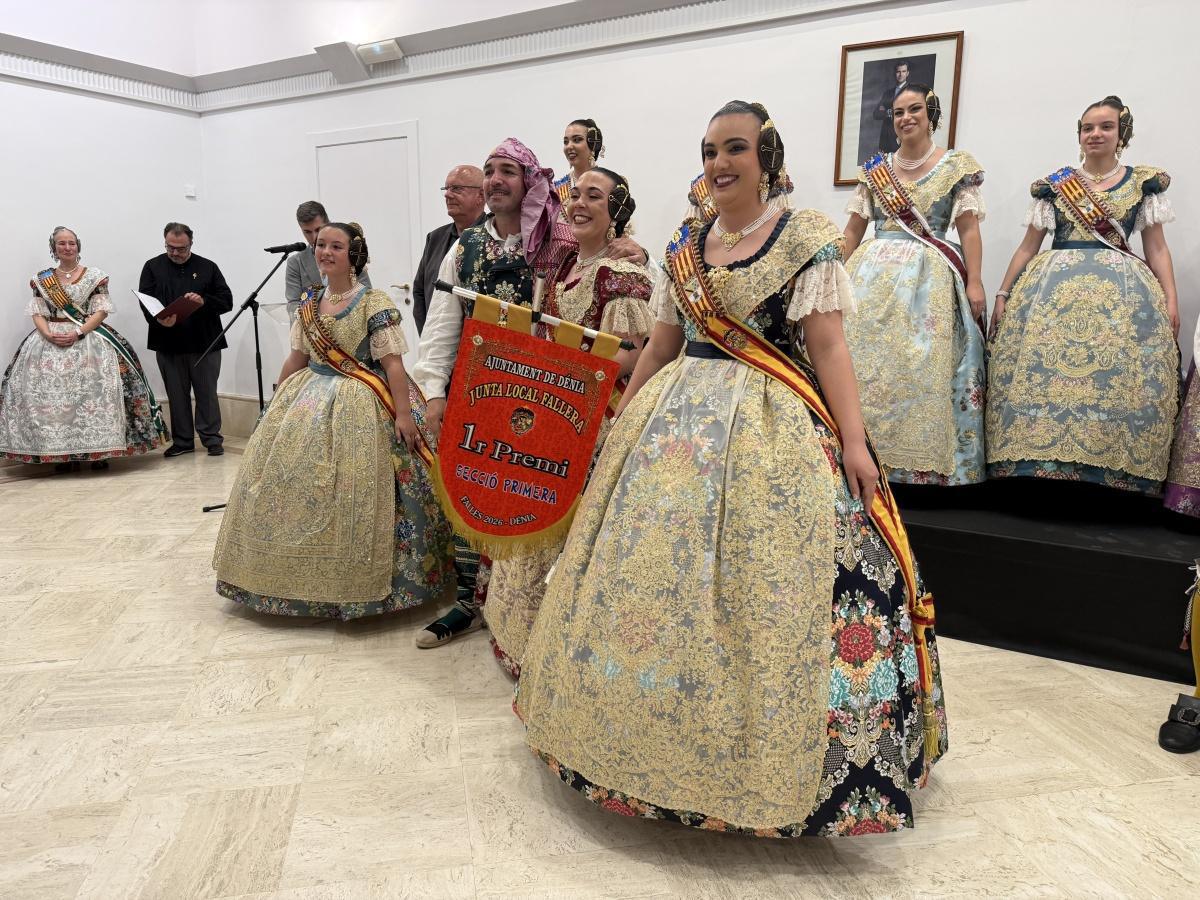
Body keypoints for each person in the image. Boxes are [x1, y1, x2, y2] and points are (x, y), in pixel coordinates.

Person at [516, 102, 946, 837]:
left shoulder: (805, 237)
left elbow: (830, 347)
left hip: (774, 432)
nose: (720, 162)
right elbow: (659, 345)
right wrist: (625, 418)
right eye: (711, 149)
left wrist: (853, 441)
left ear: (766, 156)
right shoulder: (685, 245)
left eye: (736, 149)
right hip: (674, 428)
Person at [412, 138, 647, 649]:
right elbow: (443, 320)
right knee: (471, 485)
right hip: (478, 389)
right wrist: (434, 391)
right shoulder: (464, 246)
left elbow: (606, 261)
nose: (496, 181)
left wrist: (637, 248)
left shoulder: (557, 243)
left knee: (532, 500)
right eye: (489, 171)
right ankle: (467, 603)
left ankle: (541, 618)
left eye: (507, 172)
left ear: (530, 183)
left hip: (551, 398)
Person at [213, 222, 455, 619]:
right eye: (321, 245)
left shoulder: (373, 302)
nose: (325, 252)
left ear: (353, 255)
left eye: (335, 246)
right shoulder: (310, 301)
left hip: (361, 400)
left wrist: (404, 414)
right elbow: (297, 357)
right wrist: (278, 396)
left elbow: (393, 366)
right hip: (307, 397)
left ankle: (361, 581)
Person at [485, 167, 653, 677]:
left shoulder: (623, 275)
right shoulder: (562, 271)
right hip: (556, 405)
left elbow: (632, 354)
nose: (579, 203)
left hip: (597, 412)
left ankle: (567, 650)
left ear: (615, 211)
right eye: (574, 194)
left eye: (594, 196)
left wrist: (565, 368)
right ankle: (523, 635)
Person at [987, 96, 1179, 493]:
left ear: (1121, 134)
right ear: (1079, 134)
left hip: (1121, 297)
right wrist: (1004, 292)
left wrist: (1170, 300)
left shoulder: (1143, 183)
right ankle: (1035, 464)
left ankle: (1109, 468)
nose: (1095, 134)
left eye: (1106, 127)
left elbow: (1156, 247)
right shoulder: (1054, 188)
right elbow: (1028, 246)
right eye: (1088, 127)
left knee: (1115, 377)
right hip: (1049, 292)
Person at [841, 84, 987, 485]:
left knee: (925, 363)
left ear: (930, 113)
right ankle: (865, 453)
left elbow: (969, 232)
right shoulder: (875, 171)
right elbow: (853, 232)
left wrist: (975, 282)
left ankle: (920, 466)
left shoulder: (956, 166)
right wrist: (834, 275)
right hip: (872, 275)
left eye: (914, 109)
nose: (906, 118)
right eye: (898, 112)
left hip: (931, 277)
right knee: (865, 362)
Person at [0, 227, 166, 469]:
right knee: (53, 403)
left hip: (88, 339)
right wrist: (47, 334)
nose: (67, 248)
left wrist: (78, 332)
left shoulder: (94, 276)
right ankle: (62, 455)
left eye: (71, 243)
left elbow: (101, 310)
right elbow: (37, 310)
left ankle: (100, 452)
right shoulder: (42, 279)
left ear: (78, 246)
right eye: (61, 244)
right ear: (53, 248)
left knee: (94, 396)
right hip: (48, 340)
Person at [139, 222, 234, 458]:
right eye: (170, 247)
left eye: (181, 248)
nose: (175, 253)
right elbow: (145, 301)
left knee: (207, 393)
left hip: (205, 342)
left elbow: (226, 300)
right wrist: (159, 320)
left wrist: (203, 302)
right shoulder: (152, 267)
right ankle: (182, 441)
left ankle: (212, 439)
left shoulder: (208, 267)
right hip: (168, 342)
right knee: (176, 394)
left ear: (191, 243)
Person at [412, 166, 486, 333]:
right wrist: (429, 337)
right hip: (438, 344)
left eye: (456, 189)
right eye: (446, 188)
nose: (447, 194)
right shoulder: (435, 238)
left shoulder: (494, 236)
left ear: (481, 195)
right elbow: (420, 291)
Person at [285, 201, 371, 321]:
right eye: (307, 232)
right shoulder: (295, 263)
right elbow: (293, 305)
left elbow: (366, 292)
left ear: (328, 224)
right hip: (315, 332)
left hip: (351, 325)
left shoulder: (350, 253)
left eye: (318, 229)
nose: (314, 237)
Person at [553, 119, 603, 212]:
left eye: (577, 140)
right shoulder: (555, 191)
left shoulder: (609, 185)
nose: (569, 146)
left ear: (593, 144)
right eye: (566, 142)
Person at [872, 60, 909, 154]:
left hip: (902, 137)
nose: (900, 74)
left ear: (907, 73)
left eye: (903, 71)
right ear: (895, 73)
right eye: (898, 72)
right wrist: (888, 112)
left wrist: (888, 110)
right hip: (886, 137)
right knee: (885, 167)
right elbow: (876, 114)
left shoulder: (912, 91)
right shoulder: (887, 93)